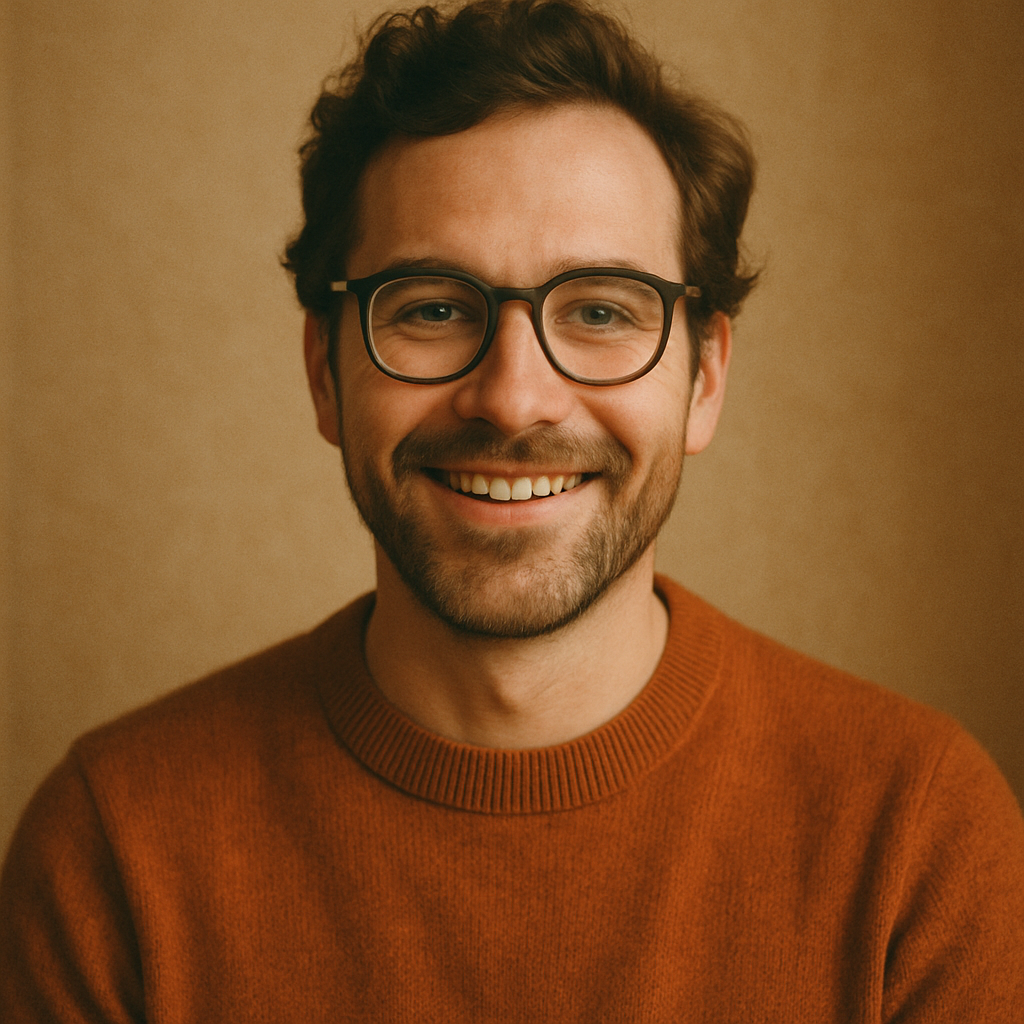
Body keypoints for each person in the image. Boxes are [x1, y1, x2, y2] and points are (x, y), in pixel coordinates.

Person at [2, 0, 1022, 1019]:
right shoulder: (112, 852)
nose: (513, 396)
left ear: (705, 376)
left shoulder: (916, 839)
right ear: (325, 372)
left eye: (600, 310)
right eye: (433, 308)